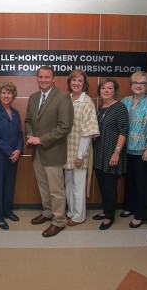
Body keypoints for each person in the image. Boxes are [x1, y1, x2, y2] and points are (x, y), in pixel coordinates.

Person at [25, 65, 74, 238]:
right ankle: (47, 213)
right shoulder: (33, 97)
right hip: (37, 152)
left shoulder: (63, 97)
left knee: (56, 190)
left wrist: (41, 139)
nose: (43, 80)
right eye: (40, 77)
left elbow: (65, 127)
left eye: (47, 77)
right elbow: (29, 121)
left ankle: (59, 221)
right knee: (43, 187)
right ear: (37, 78)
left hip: (53, 151)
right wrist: (30, 135)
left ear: (54, 79)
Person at [121, 71, 147, 228]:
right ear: (131, 85)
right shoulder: (125, 101)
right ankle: (129, 207)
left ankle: (141, 214)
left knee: (143, 184)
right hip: (126, 150)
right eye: (135, 83)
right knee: (130, 182)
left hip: (144, 151)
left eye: (142, 83)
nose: (138, 86)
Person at [64, 69, 99, 226]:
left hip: (79, 152)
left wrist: (80, 155)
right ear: (69, 82)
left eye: (79, 81)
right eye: (73, 80)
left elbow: (87, 132)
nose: (76, 83)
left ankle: (79, 216)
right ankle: (71, 212)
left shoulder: (87, 102)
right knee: (68, 185)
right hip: (65, 150)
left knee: (79, 186)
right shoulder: (67, 99)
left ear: (84, 84)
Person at [92, 77, 129, 230]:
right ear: (99, 91)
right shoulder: (100, 108)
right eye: (103, 88)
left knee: (110, 186)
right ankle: (106, 210)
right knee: (102, 184)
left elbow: (123, 131)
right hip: (99, 152)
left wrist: (116, 153)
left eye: (109, 88)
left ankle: (109, 216)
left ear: (115, 91)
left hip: (112, 152)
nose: (106, 91)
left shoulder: (120, 107)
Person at [0, 82, 23, 230]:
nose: (6, 95)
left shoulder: (15, 113)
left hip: (14, 156)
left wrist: (18, 150)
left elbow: (20, 134)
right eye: (3, 93)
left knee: (9, 185)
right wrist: (10, 152)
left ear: (13, 95)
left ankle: (8, 211)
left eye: (9, 93)